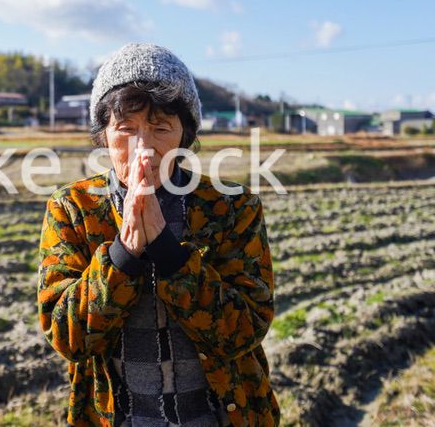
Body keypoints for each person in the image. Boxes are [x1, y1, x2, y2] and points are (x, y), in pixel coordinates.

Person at [37, 43, 280, 427]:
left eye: (161, 127)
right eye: (126, 129)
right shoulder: (74, 209)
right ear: (103, 136)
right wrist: (125, 251)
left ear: (185, 135)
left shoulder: (233, 207)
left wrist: (168, 250)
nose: (143, 147)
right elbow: (68, 337)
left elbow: (244, 330)